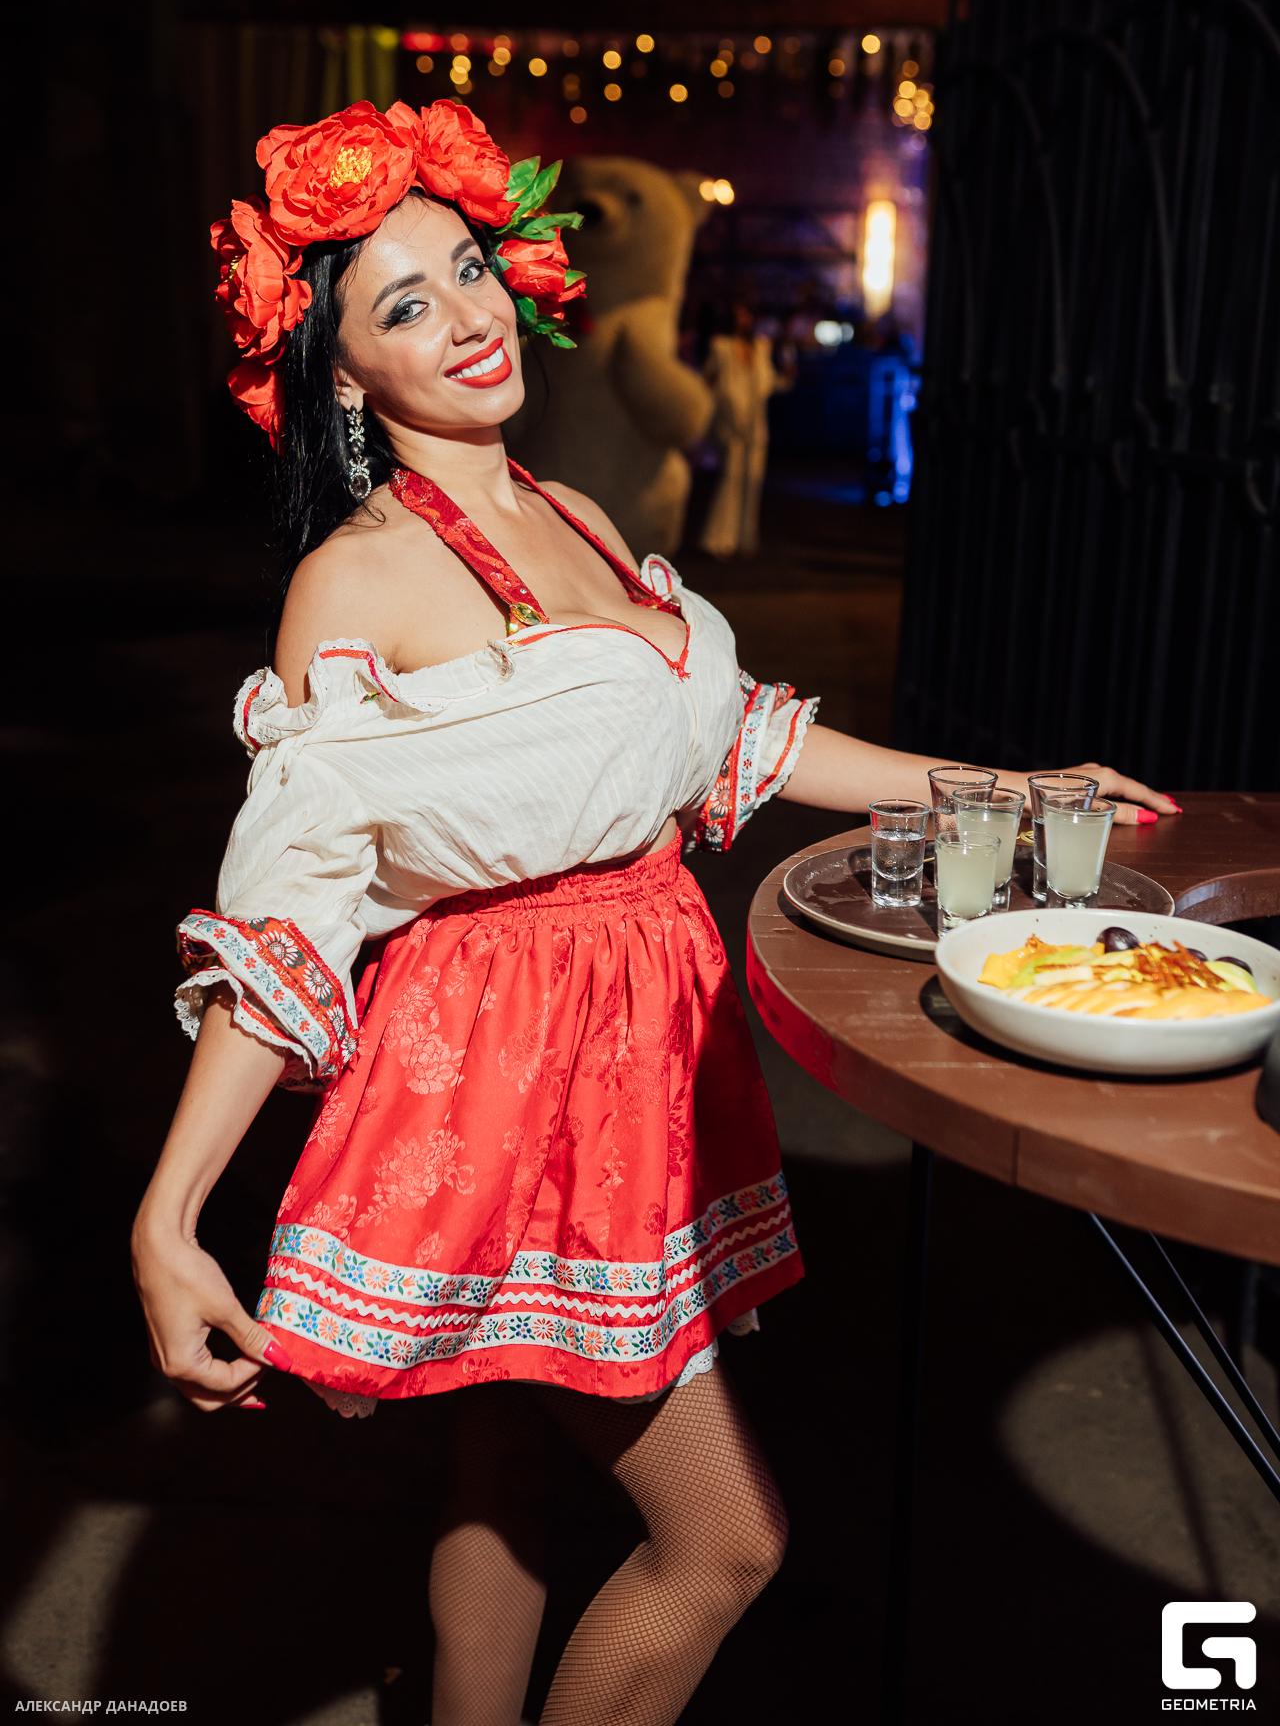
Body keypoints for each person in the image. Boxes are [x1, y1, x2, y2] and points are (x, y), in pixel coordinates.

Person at [130, 98, 1177, 1726]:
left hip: (631, 1039)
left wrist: (1014, 790)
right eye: (404, 304)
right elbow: (292, 909)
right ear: (340, 375)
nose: (466, 315)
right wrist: (171, 1212)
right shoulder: (360, 575)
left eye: (469, 269)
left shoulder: (577, 514)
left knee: (503, 1467)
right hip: (510, 1067)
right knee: (726, 1542)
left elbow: (740, 736)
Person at [700, 300, 791, 559]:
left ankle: (743, 538)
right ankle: (718, 540)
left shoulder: (761, 347)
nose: (742, 321)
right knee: (730, 479)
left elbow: (767, 382)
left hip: (754, 426)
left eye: (746, 315)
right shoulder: (721, 347)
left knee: (752, 481)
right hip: (731, 425)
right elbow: (709, 380)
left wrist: (787, 378)